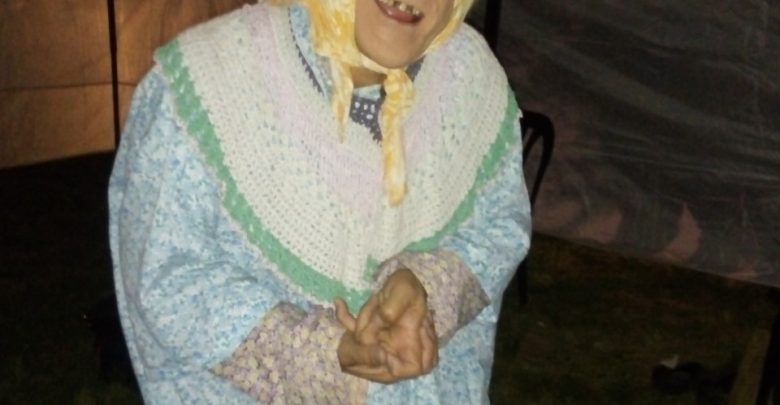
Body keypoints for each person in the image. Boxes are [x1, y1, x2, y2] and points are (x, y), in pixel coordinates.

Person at [109, 0, 530, 403]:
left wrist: (427, 284)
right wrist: (319, 355)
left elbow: (499, 224)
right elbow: (166, 276)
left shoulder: (472, 82)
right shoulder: (204, 84)